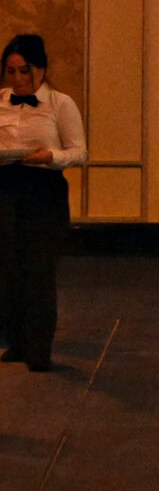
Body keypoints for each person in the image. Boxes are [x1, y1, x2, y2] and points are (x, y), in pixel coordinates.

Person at [0, 33, 84, 373]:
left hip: (43, 190)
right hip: (5, 186)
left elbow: (79, 152)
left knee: (39, 268)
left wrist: (50, 156)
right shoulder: (1, 101)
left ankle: (39, 348)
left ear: (41, 70)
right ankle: (17, 341)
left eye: (24, 71)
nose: (18, 79)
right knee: (8, 267)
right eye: (11, 71)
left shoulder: (60, 104)